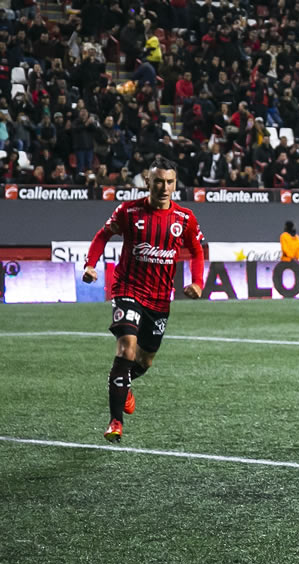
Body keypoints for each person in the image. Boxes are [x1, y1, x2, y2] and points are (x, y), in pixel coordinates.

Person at [82, 156, 205, 443]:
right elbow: (103, 235)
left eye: (169, 182)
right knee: (126, 349)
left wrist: (198, 282)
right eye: (158, 181)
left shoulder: (184, 218)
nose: (164, 187)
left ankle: (121, 382)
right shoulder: (129, 211)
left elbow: (197, 251)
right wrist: (91, 264)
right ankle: (115, 421)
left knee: (145, 361)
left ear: (176, 184)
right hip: (128, 290)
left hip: (160, 299)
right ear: (148, 181)